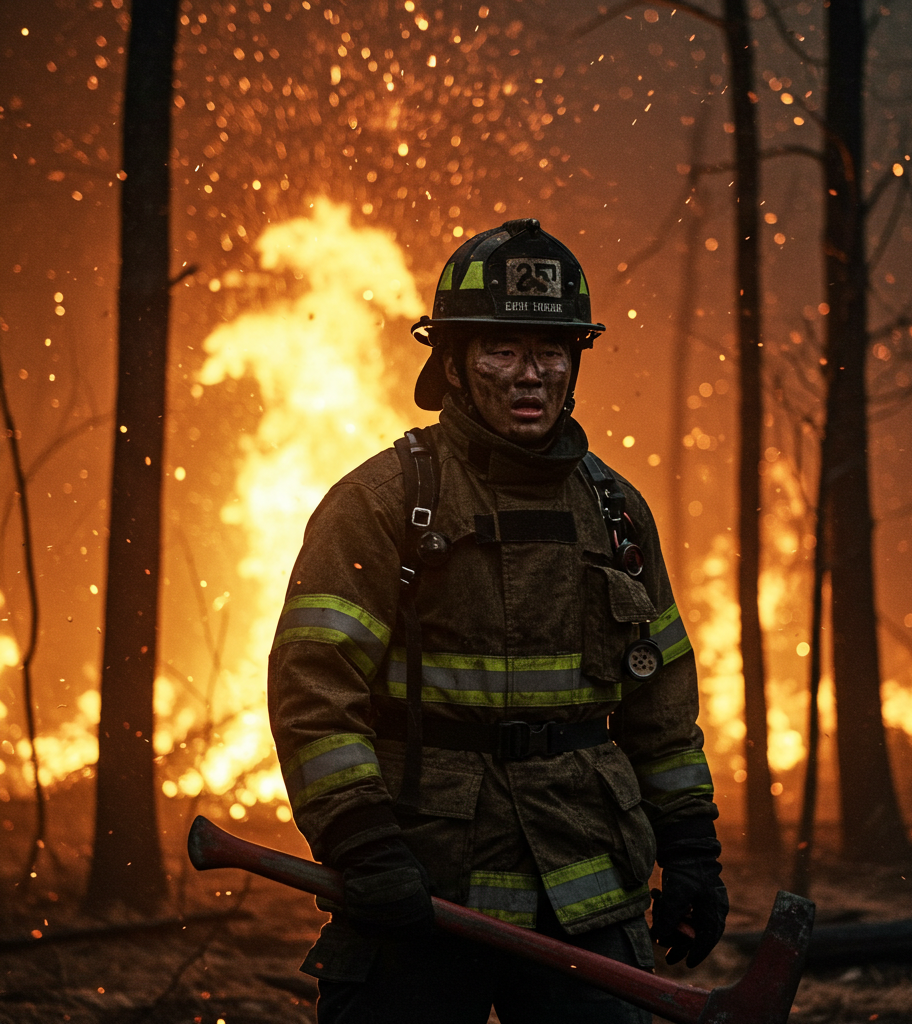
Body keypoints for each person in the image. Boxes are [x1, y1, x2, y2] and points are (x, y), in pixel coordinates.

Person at [268, 218, 728, 1023]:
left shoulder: (615, 513)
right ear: (452, 362)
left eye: (551, 351)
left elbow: (660, 708)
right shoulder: (383, 503)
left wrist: (691, 848)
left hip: (584, 888)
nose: (530, 375)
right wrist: (363, 843)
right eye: (502, 350)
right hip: (421, 889)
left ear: (575, 363)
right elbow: (314, 692)